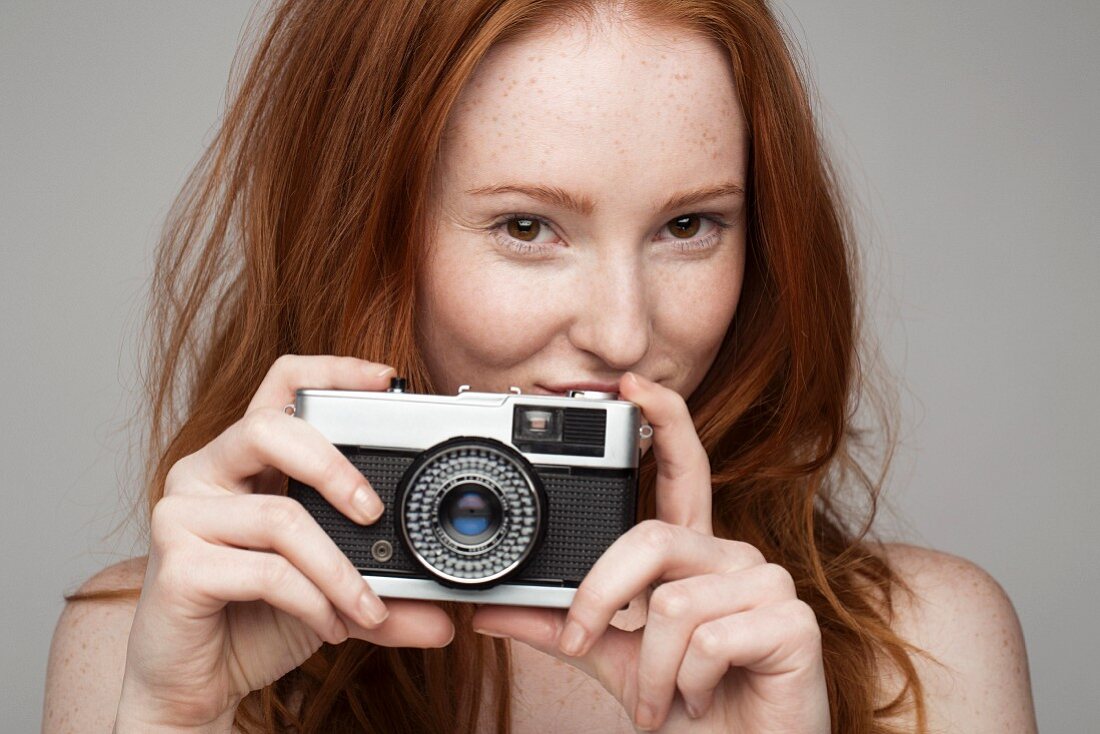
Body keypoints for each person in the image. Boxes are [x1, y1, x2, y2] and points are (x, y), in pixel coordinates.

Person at [43, 1, 1038, 732]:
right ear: (367, 236)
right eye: (527, 226)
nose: (621, 328)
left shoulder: (928, 655)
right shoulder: (143, 647)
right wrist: (176, 714)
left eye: (689, 225)